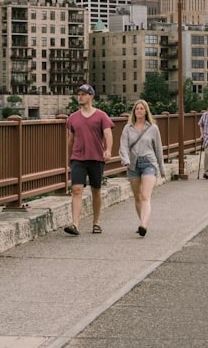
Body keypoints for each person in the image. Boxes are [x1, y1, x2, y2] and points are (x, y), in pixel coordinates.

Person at [64, 84, 113, 236]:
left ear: (91, 97)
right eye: (78, 94)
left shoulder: (101, 116)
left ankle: (96, 222)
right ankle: (75, 224)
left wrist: (108, 150)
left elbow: (108, 134)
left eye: (84, 94)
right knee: (76, 189)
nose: (80, 96)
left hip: (96, 158)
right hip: (78, 158)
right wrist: (68, 159)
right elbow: (70, 140)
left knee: (96, 190)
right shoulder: (73, 118)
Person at [119, 99, 166, 237]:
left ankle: (144, 225)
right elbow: (123, 146)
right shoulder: (128, 128)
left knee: (145, 196)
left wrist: (162, 169)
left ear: (146, 111)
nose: (139, 111)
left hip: (148, 163)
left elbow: (159, 149)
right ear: (134, 112)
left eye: (141, 108)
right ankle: (142, 222)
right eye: (137, 109)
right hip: (133, 164)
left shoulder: (153, 128)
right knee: (138, 197)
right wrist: (125, 160)